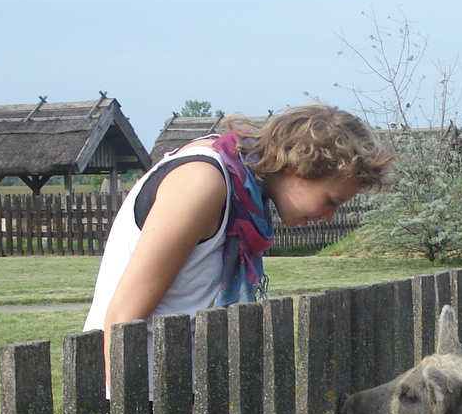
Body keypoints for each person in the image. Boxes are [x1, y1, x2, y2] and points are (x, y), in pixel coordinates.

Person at [84, 104, 393, 399]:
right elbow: (121, 318)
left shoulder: (238, 188)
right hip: (147, 394)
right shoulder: (203, 181)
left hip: (182, 391)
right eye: (330, 201)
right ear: (301, 166)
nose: (328, 216)